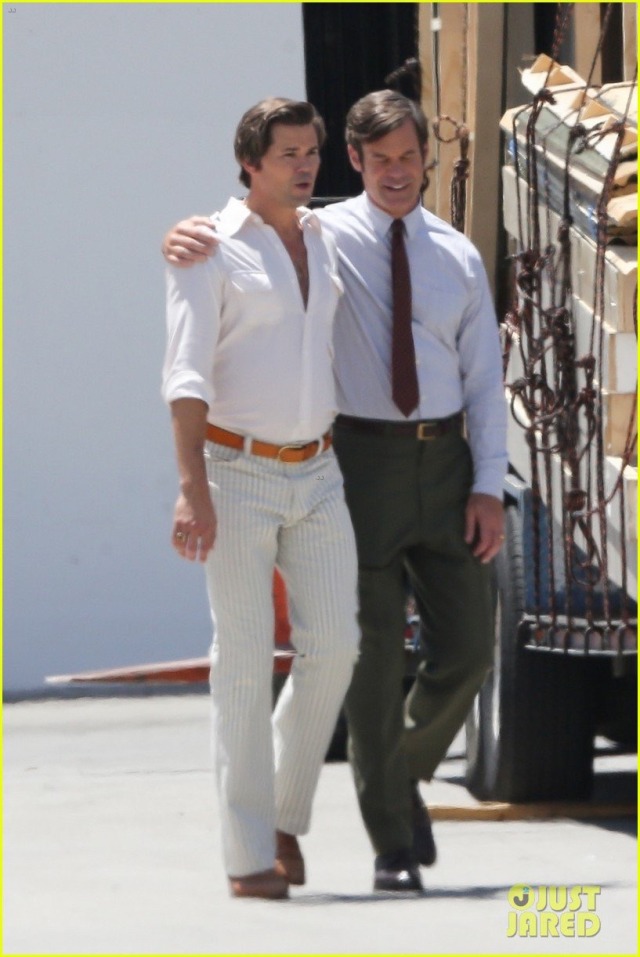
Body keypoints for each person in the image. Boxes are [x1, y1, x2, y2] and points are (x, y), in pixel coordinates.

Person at [163, 90, 508, 893]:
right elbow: (193, 350)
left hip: (397, 465)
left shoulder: (409, 249)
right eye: (378, 159)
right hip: (319, 464)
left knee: (416, 649)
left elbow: (485, 379)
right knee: (311, 656)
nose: (396, 172)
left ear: (428, 160)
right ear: (356, 161)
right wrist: (178, 234)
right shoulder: (296, 236)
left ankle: (372, 782)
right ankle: (321, 846)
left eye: (409, 157)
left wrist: (488, 483)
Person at [162, 97, 360, 900]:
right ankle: (249, 856)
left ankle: (280, 811)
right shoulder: (208, 249)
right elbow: (185, 376)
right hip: (234, 472)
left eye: (312, 151)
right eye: (288, 154)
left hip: (319, 471)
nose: (305, 165)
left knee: (336, 647)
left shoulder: (326, 234)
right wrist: (192, 489)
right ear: (249, 161)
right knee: (243, 664)